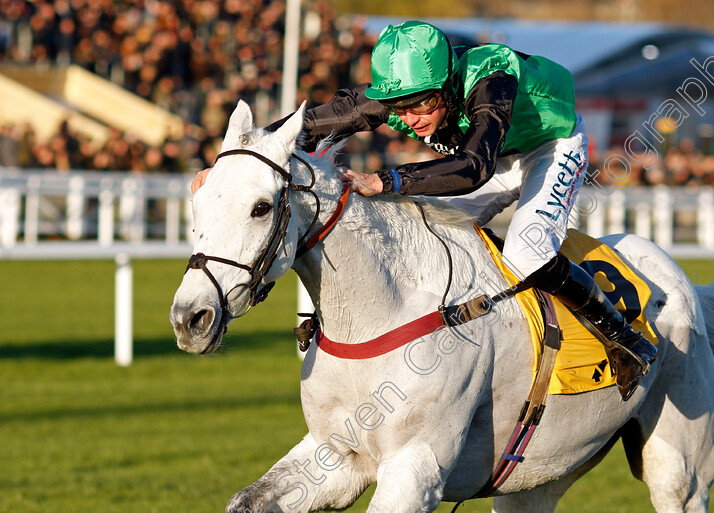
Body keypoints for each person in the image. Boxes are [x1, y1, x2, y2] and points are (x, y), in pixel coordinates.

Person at [193, 21, 656, 399]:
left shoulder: (490, 79)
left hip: (548, 149)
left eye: (424, 104)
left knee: (528, 249)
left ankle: (624, 340)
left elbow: (475, 166)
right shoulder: (399, 93)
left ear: (447, 83)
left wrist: (389, 180)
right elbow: (300, 128)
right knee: (416, 228)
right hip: (487, 157)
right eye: (400, 106)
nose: (412, 117)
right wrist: (230, 166)